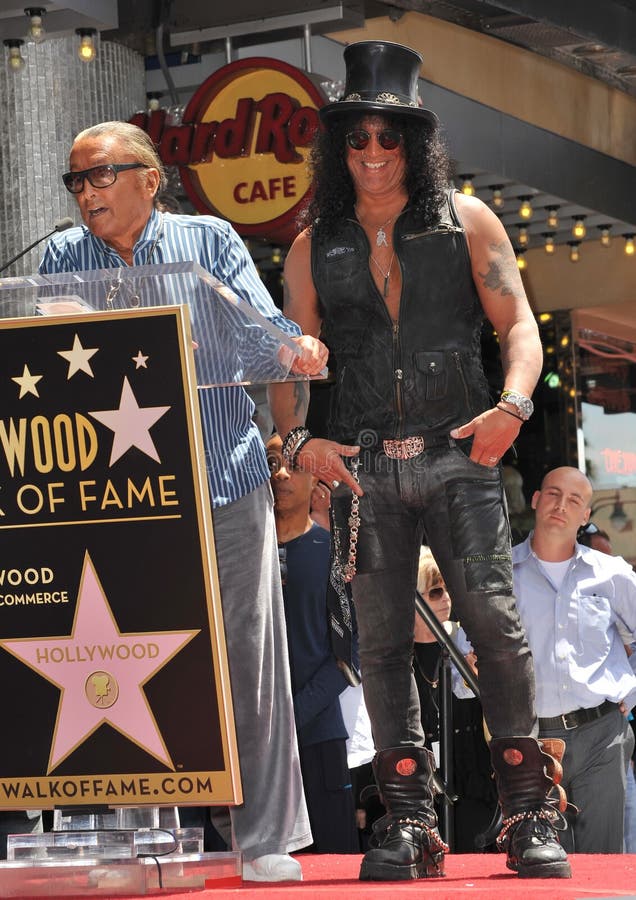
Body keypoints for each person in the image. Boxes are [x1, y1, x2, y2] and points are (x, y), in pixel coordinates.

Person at [273, 39, 572, 880]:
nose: (372, 154)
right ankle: (408, 824)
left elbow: (518, 327)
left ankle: (528, 813)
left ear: (416, 142)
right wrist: (300, 444)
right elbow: (289, 361)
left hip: (460, 455)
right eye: (357, 138)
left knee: (497, 630)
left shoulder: (467, 218)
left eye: (388, 137)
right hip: (366, 470)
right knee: (377, 647)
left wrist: (515, 405)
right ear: (339, 147)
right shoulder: (312, 244)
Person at [37, 121, 331, 882]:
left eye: (100, 175)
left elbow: (259, 334)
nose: (86, 193)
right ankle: (138, 844)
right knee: (127, 664)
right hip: (120, 499)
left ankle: (262, 838)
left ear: (147, 179)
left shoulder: (209, 240)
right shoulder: (64, 258)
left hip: (223, 479)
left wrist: (295, 347)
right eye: (76, 181)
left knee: (246, 664)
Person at [513, 466, 636, 852]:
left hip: (602, 734)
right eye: (552, 494)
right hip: (532, 741)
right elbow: (467, 659)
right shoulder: (501, 574)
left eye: (574, 500)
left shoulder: (611, 573)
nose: (560, 505)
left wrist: (631, 695)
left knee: (602, 863)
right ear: (535, 500)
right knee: (542, 865)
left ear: (586, 516)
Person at [268, 433, 359, 853]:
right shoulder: (235, 557)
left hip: (318, 738)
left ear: (317, 483)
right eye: (270, 462)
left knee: (329, 866)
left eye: (295, 465)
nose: (281, 474)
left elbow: (347, 656)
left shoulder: (335, 557)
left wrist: (293, 715)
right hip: (251, 743)